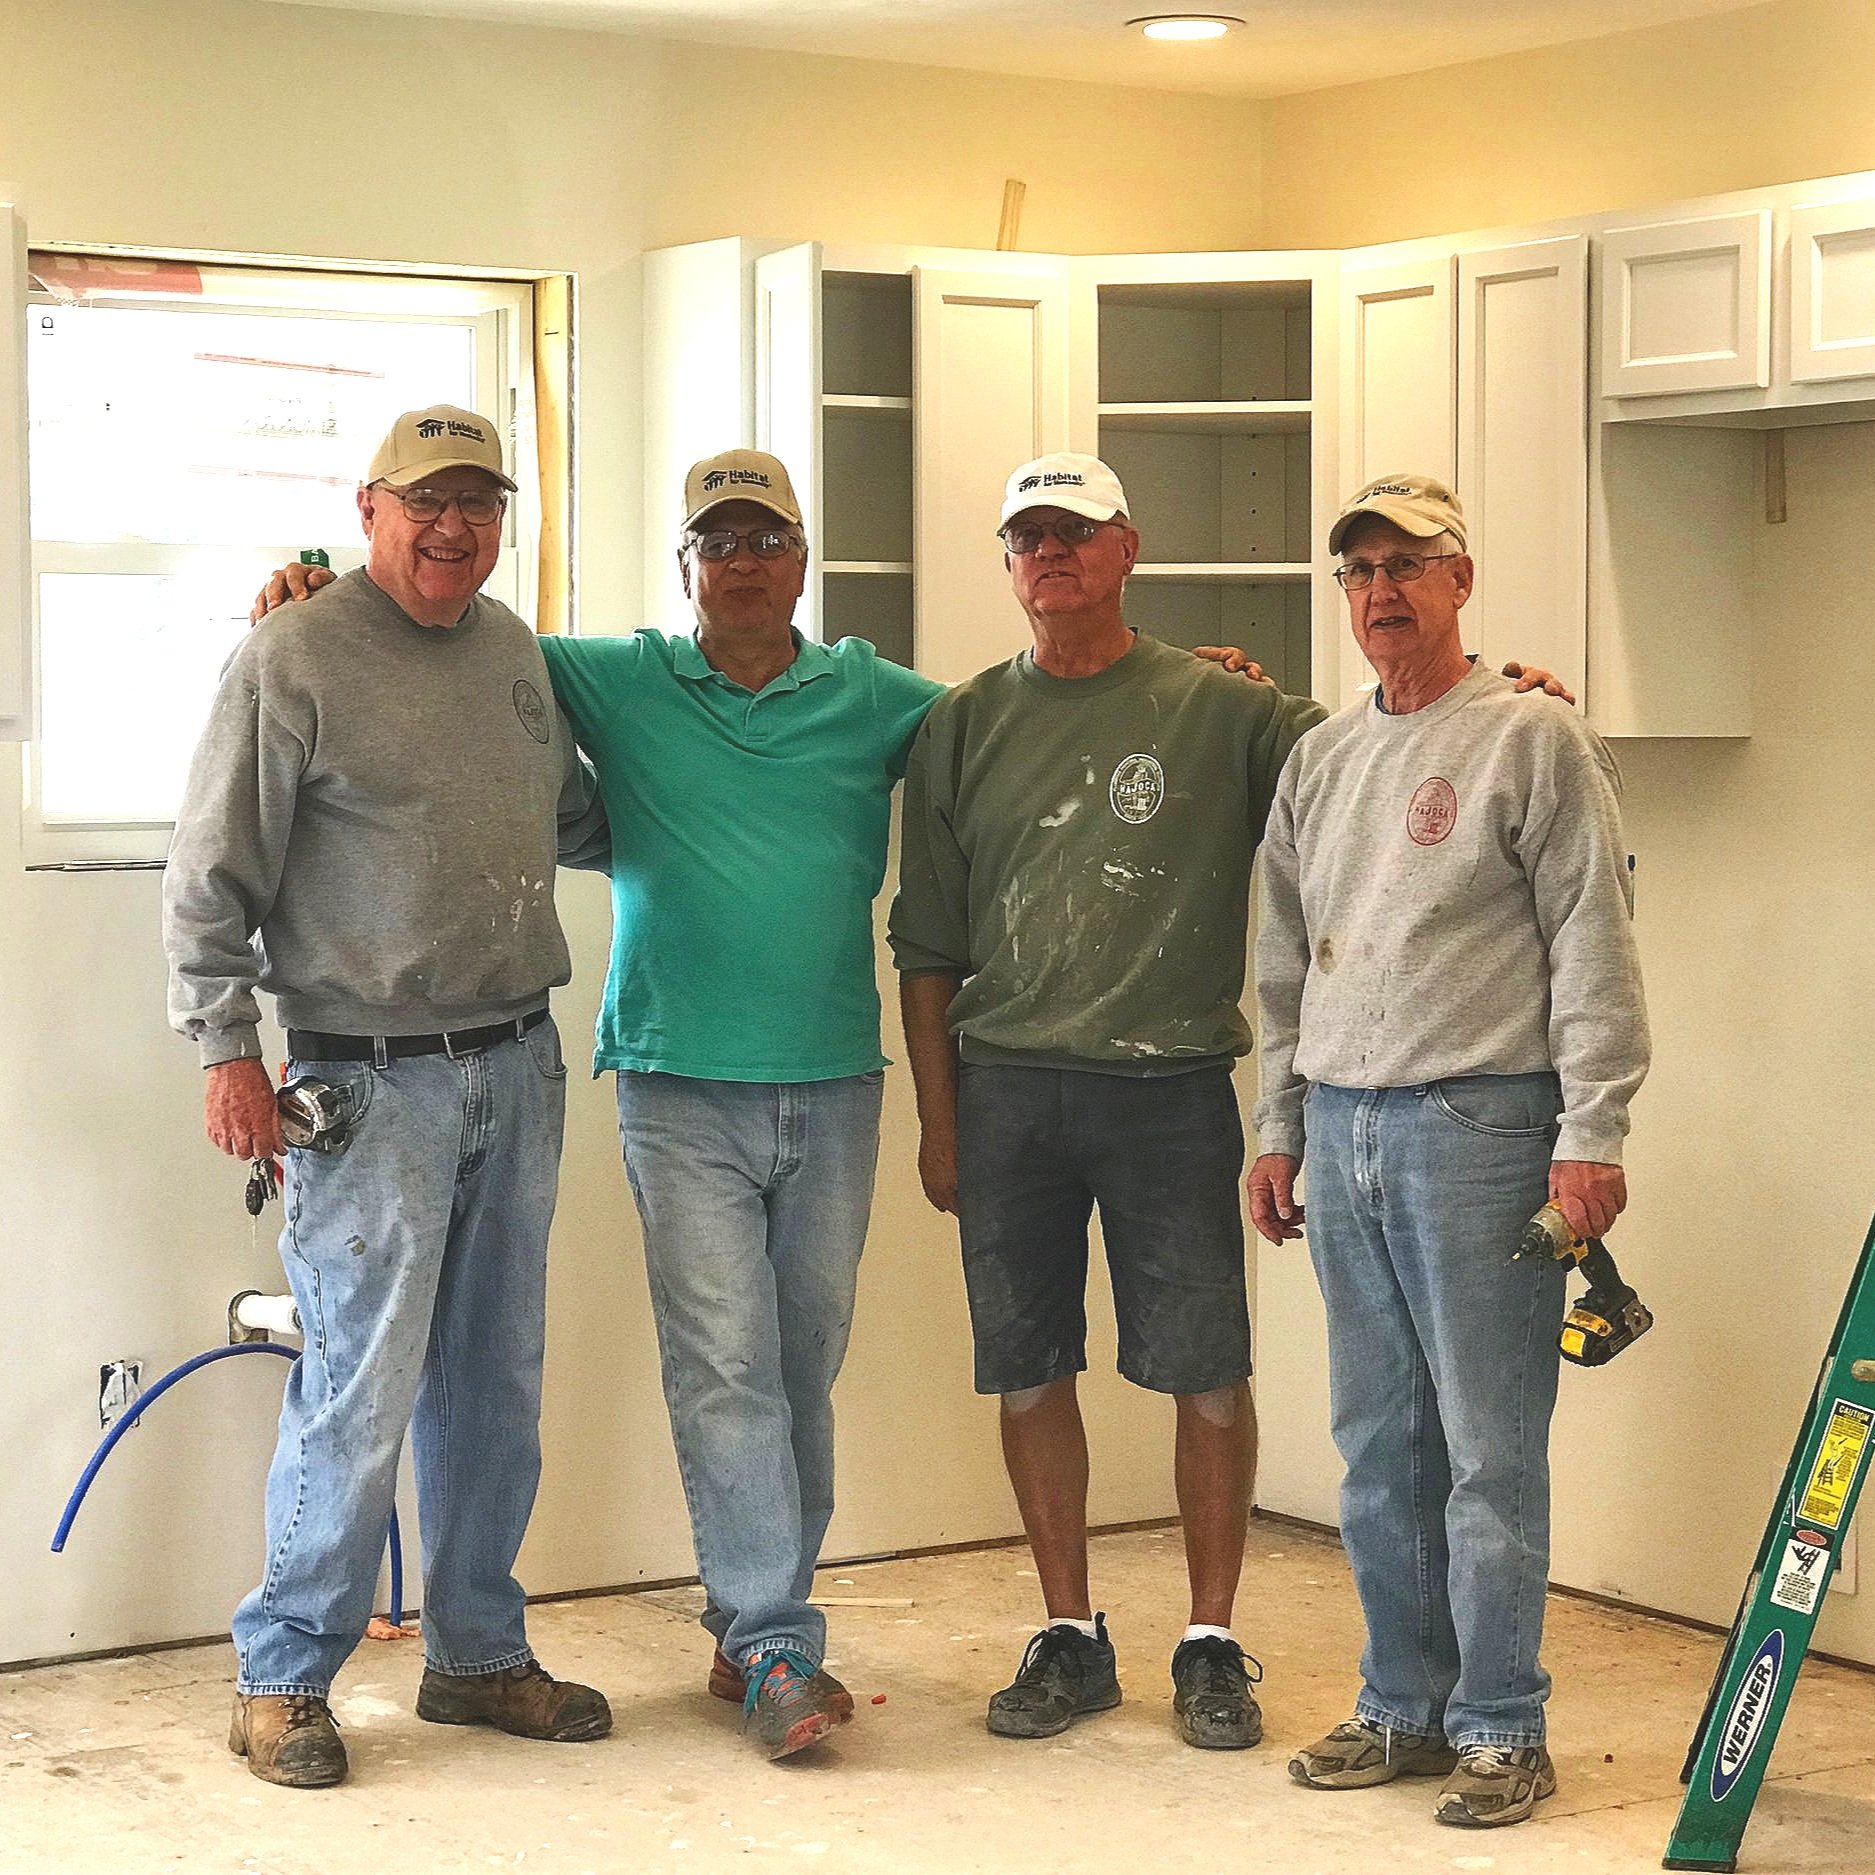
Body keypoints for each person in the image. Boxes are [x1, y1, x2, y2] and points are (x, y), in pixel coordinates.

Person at [164, 405, 613, 1789]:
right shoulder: (291, 652)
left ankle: (474, 1654)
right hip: (367, 1084)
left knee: (496, 1381)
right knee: (360, 1391)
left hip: (515, 1066)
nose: (454, 525)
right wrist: (225, 1047)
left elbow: (582, 817)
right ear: (369, 508)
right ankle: (285, 1675)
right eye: (428, 501)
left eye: (480, 501)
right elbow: (210, 874)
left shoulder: (514, 654)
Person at [889, 452, 1327, 1752]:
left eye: (1076, 533)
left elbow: (1366, 768)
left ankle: (1211, 1640)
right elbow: (927, 949)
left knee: (1204, 1368)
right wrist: (940, 1119)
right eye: (1029, 536)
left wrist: (1506, 702)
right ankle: (1069, 1633)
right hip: (1009, 1091)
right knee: (1028, 1370)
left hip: (1170, 1091)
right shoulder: (960, 726)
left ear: (1127, 548)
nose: (1052, 555)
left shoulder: (1220, 709)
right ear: (1008, 563)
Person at [1247, 472, 1649, 1829]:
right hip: (1347, 1124)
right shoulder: (1322, 758)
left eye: (1407, 566)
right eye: (1357, 571)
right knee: (1376, 1447)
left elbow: (1595, 944)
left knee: (1489, 1449)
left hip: (1484, 1131)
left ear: (1461, 580)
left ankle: (1499, 1726)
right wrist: (1279, 1124)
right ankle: (1403, 1707)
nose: (1380, 593)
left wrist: (1591, 1134)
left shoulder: (1529, 738)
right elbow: (1281, 967)